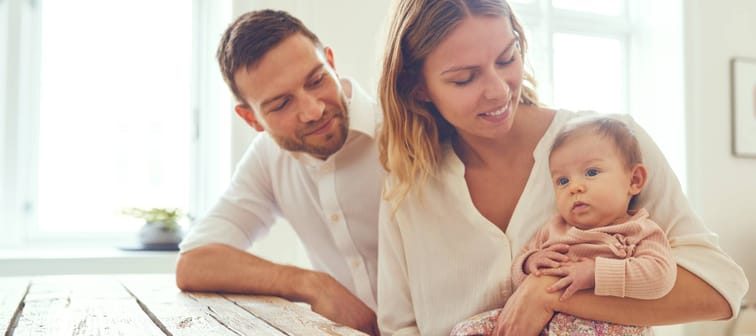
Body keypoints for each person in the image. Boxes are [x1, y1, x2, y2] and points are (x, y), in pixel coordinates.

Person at [376, 0, 749, 335]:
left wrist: (550, 294)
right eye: (464, 78)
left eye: (507, 58)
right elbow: (400, 328)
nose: (499, 90)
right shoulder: (407, 185)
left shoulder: (611, 146)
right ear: (417, 87)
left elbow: (719, 288)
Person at [175, 9, 383, 335]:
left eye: (317, 80)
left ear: (331, 61)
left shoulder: (403, 127)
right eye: (281, 104)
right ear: (252, 120)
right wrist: (312, 284)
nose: (313, 110)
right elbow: (194, 263)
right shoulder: (269, 157)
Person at [450, 117, 676, 336]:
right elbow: (518, 272)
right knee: (466, 329)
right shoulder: (554, 228)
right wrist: (530, 263)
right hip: (544, 323)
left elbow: (660, 277)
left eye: (591, 172)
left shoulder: (639, 230)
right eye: (563, 181)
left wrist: (597, 273)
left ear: (634, 180)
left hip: (608, 325)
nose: (575, 187)